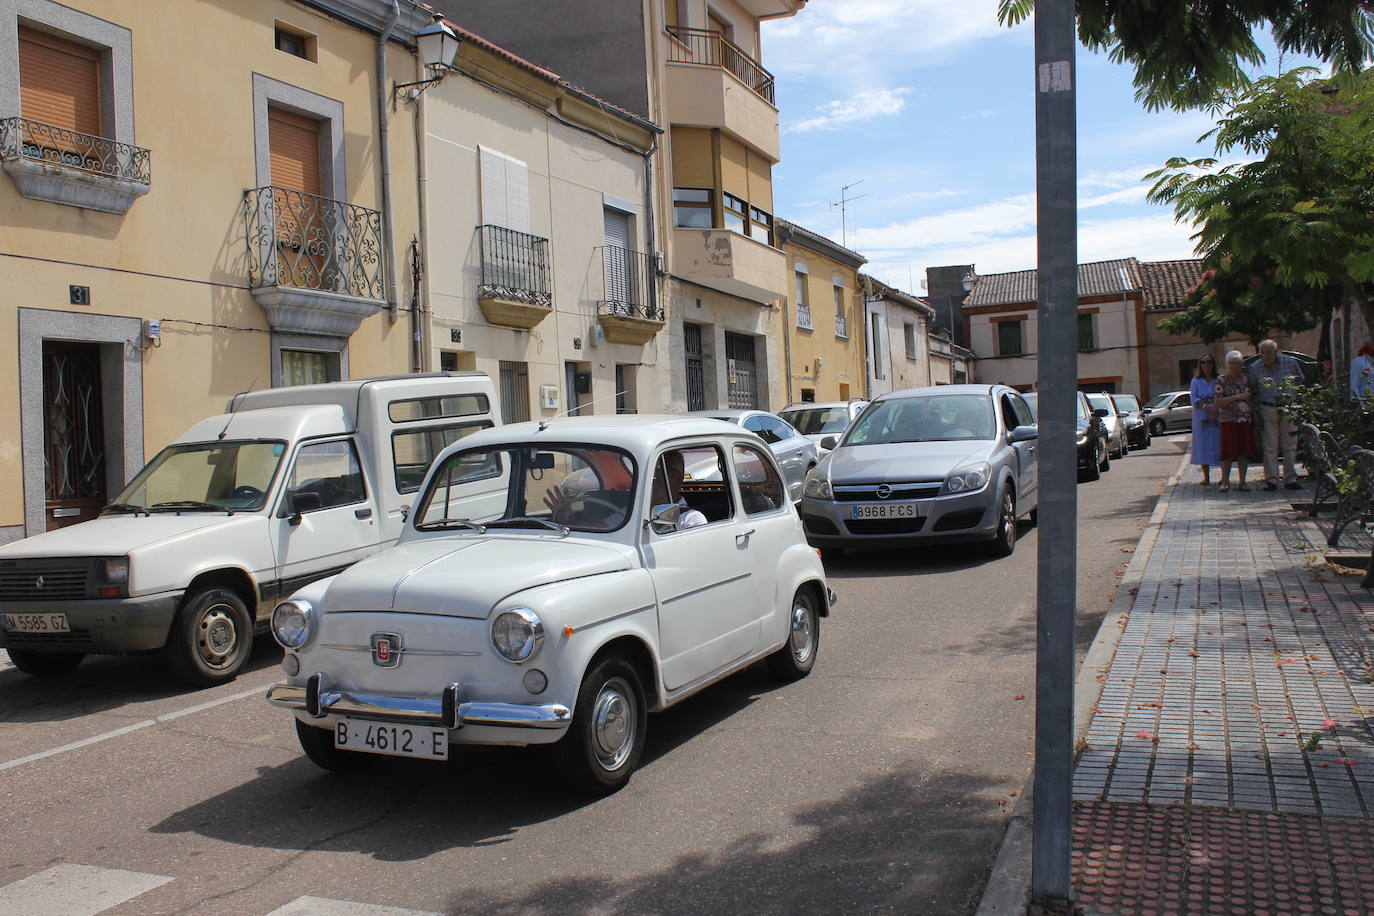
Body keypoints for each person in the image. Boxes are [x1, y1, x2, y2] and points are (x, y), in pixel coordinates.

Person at [1246, 339, 1305, 491]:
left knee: (1290, 444)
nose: (1265, 355)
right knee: (1270, 445)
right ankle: (1272, 479)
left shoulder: (1289, 363)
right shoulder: (1255, 368)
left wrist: (1295, 400)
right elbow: (1253, 389)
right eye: (1263, 352)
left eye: (1269, 352)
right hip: (1267, 408)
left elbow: (1300, 381)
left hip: (1288, 406)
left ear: (1276, 351)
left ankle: (1290, 478)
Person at [1214, 350, 1255, 492]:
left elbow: (1250, 397)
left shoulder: (1246, 379)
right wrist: (1237, 397)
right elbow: (1218, 401)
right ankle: (1225, 482)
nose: (1235, 366)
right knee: (1227, 452)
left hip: (1244, 420)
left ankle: (1243, 482)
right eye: (1232, 363)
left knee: (1243, 451)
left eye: (1237, 363)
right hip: (1228, 420)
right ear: (1227, 364)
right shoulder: (1222, 380)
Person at [649, 450, 708, 530]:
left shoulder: (691, 519)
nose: (655, 476)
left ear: (679, 478)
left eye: (664, 471)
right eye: (656, 469)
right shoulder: (636, 507)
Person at [1189, 353, 1220, 485]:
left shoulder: (1219, 380)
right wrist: (1207, 408)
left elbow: (1222, 394)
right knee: (1202, 444)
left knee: (1219, 443)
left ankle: (1224, 476)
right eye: (1203, 362)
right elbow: (1194, 398)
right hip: (1201, 414)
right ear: (1200, 365)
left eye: (1209, 362)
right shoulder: (1195, 381)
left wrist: (1216, 410)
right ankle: (1206, 476)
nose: (1206, 365)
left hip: (1218, 413)